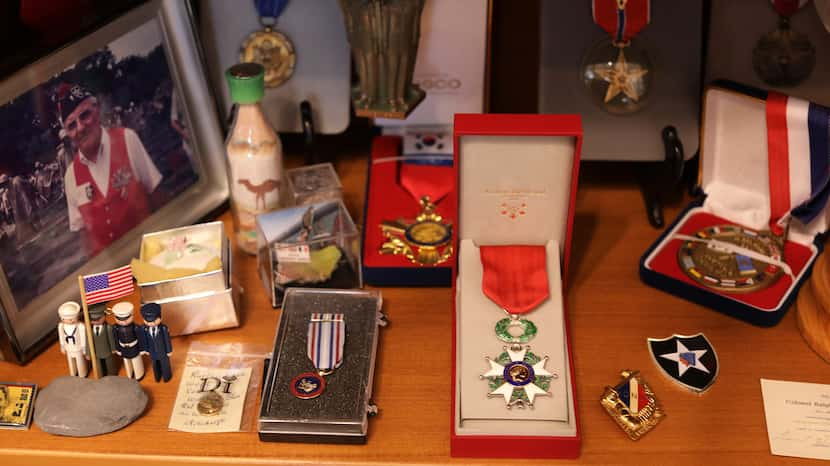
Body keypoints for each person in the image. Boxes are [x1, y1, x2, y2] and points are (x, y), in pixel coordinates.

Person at [56, 83, 163, 256]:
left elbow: (158, 198)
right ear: (67, 133)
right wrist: (96, 284)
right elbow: (86, 240)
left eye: (85, 115)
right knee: (86, 284)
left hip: (151, 258)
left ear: (97, 110)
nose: (80, 127)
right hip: (114, 278)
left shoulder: (127, 138)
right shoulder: (70, 177)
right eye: (72, 125)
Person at [138, 303, 172, 383]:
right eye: (148, 321)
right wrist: (146, 349)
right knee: (155, 365)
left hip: (163, 351)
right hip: (152, 351)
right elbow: (145, 340)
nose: (151, 324)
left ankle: (167, 377)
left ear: (160, 318)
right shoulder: (145, 329)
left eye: (154, 321)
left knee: (165, 365)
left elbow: (167, 340)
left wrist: (169, 350)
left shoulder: (163, 328)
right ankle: (157, 377)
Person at [111, 302, 145, 380]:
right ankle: (129, 375)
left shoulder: (136, 327)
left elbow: (140, 339)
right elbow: (116, 339)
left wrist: (142, 349)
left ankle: (139, 375)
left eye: (126, 318)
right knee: (127, 362)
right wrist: (118, 349)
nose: (123, 321)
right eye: (119, 319)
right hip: (123, 348)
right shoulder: (115, 328)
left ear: (132, 315)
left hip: (134, 347)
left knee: (136, 362)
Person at [57, 301, 88, 377]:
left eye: (72, 318)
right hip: (68, 348)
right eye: (66, 319)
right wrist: (62, 346)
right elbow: (61, 337)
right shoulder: (61, 326)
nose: (70, 320)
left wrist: (84, 348)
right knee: (71, 362)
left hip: (78, 347)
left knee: (80, 361)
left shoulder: (80, 326)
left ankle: (82, 374)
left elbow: (83, 338)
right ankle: (73, 373)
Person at [87, 303, 119, 377]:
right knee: (98, 367)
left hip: (107, 350)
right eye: (93, 320)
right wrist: (88, 353)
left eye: (98, 319)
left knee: (110, 364)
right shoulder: (89, 330)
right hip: (96, 352)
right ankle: (100, 375)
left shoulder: (108, 327)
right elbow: (88, 342)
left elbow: (111, 338)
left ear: (104, 316)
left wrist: (113, 348)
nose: (96, 321)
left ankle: (112, 374)